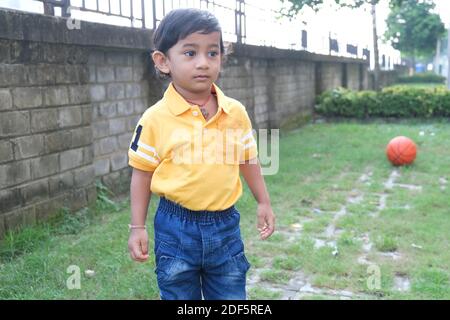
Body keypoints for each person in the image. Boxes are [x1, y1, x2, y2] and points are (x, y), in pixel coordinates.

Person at [127, 8, 275, 300]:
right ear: (163, 61)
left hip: (225, 227)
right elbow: (142, 174)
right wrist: (137, 227)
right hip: (175, 228)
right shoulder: (155, 119)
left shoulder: (235, 112)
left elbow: (247, 158)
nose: (203, 63)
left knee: (232, 296)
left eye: (212, 53)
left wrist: (264, 201)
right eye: (190, 53)